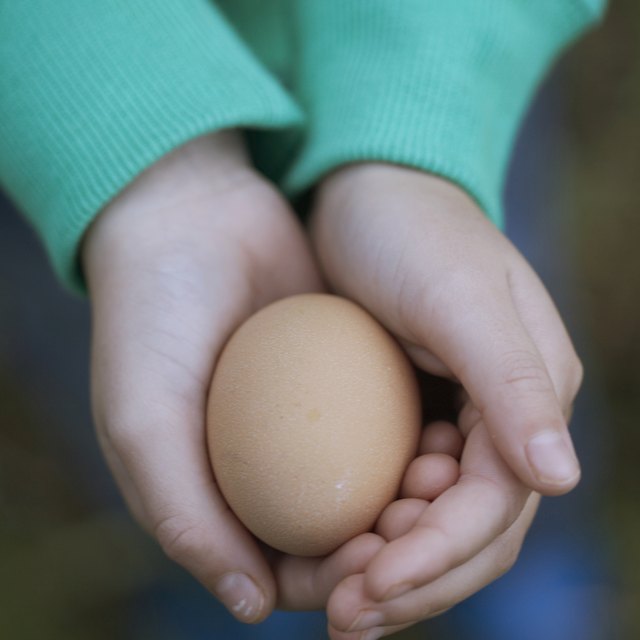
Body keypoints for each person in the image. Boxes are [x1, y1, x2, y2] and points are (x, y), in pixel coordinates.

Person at [0, 2, 606, 638]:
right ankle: (215, 584)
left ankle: (536, 550)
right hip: (58, 125)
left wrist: (412, 136)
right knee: (156, 412)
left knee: (483, 351)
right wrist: (150, 179)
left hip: (445, 66)